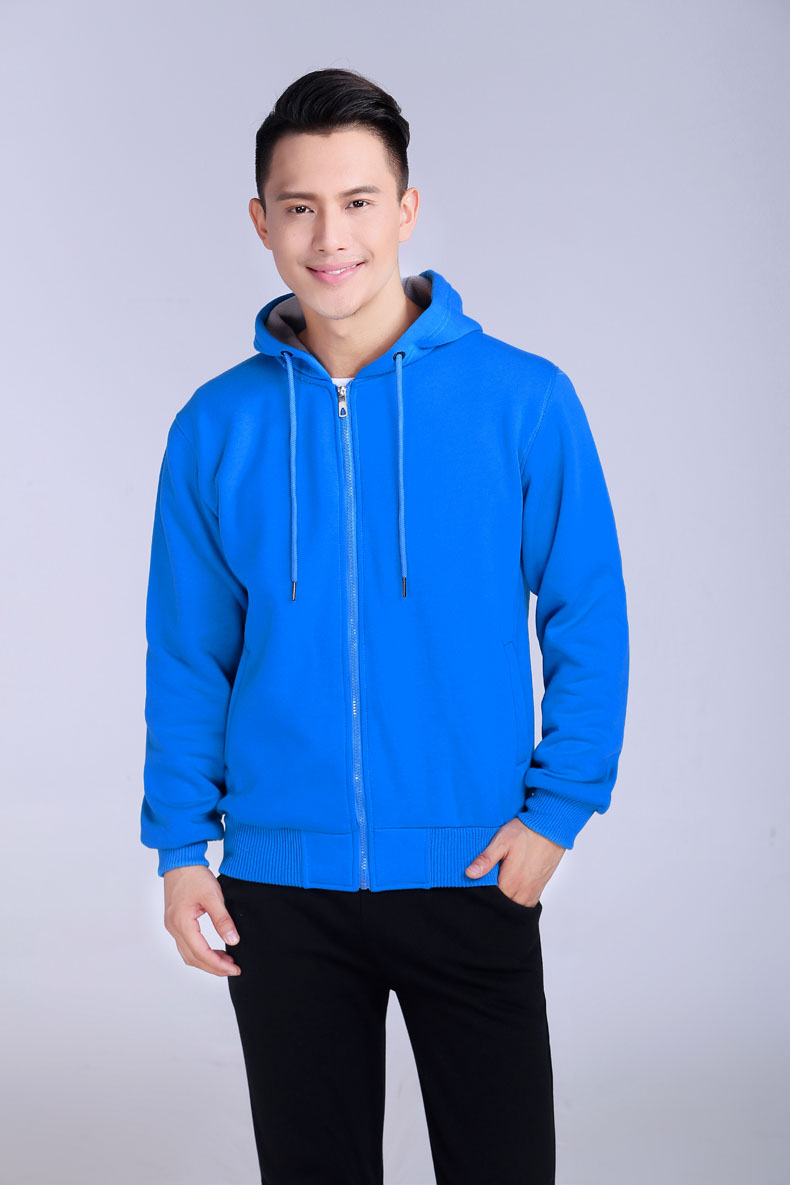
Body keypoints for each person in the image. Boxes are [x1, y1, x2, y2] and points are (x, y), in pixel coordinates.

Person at [141, 66, 629, 1185]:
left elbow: (588, 617)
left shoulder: (523, 400)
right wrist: (179, 848)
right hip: (280, 887)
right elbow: (189, 652)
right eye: (300, 206)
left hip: (473, 866)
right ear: (261, 221)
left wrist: (557, 812)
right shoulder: (216, 426)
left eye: (358, 201)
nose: (331, 236)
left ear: (405, 209)